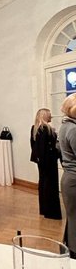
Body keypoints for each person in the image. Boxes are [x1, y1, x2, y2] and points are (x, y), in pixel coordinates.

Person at [30, 108, 62, 220]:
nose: (51, 116)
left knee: (43, 183)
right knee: (50, 185)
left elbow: (34, 146)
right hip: (48, 161)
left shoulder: (35, 129)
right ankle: (51, 212)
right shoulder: (46, 129)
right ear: (44, 116)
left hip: (41, 161)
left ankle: (44, 209)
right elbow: (47, 147)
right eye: (49, 114)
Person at [58, 95, 76, 256]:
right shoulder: (73, 128)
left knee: (72, 218)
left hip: (69, 177)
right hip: (74, 179)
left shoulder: (66, 125)